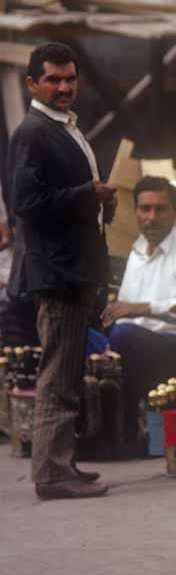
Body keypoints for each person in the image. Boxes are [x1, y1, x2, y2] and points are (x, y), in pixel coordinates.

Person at [8, 43, 115, 499]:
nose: (64, 87)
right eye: (53, 79)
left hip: (73, 269)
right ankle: (52, 474)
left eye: (70, 79)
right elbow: (25, 203)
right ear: (32, 84)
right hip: (57, 273)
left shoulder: (63, 127)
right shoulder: (34, 132)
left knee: (67, 372)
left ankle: (61, 462)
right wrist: (88, 193)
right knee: (57, 374)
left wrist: (96, 202)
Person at [89, 176, 176, 442]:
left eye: (160, 209)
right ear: (135, 211)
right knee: (80, 336)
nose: (152, 217)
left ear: (175, 211)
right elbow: (124, 314)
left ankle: (129, 428)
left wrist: (143, 308)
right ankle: (103, 428)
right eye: (145, 209)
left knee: (123, 335)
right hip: (136, 343)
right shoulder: (137, 252)